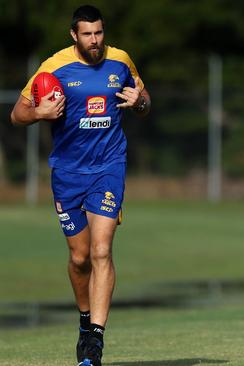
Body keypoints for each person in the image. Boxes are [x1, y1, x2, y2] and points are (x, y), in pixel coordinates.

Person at [10, 5, 151, 366]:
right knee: (80, 257)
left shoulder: (121, 61)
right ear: (74, 35)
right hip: (68, 173)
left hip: (109, 167)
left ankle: (95, 341)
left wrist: (141, 103)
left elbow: (143, 100)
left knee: (102, 251)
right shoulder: (53, 67)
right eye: (88, 34)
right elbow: (17, 114)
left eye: (99, 33)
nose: (95, 41)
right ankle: (85, 319)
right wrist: (39, 113)